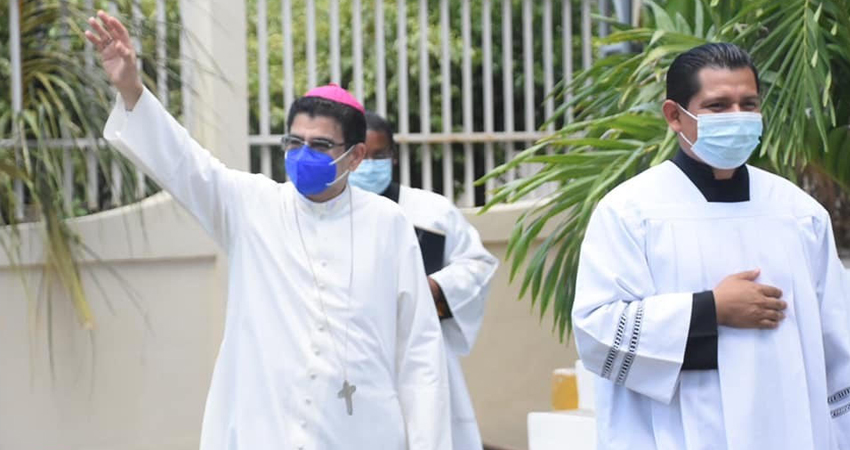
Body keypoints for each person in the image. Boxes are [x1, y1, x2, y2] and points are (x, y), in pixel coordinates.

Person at [85, 11, 451, 450]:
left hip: (361, 431)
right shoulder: (251, 204)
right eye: (294, 143)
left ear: (355, 157)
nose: (303, 154)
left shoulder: (387, 223)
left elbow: (419, 351)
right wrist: (130, 87)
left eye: (320, 145)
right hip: (265, 429)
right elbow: (184, 163)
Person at [572, 42, 850, 449]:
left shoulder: (798, 213)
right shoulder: (631, 212)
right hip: (678, 432)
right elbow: (597, 332)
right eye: (718, 106)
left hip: (791, 429)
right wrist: (710, 310)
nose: (738, 118)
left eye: (748, 104)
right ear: (674, 116)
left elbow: (837, 339)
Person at [348, 112, 498, 450]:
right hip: (357, 355)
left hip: (424, 351)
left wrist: (434, 289)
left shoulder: (431, 211)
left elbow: (477, 264)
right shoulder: (335, 212)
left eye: (380, 155)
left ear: (394, 156)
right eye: (363, 155)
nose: (370, 165)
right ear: (350, 155)